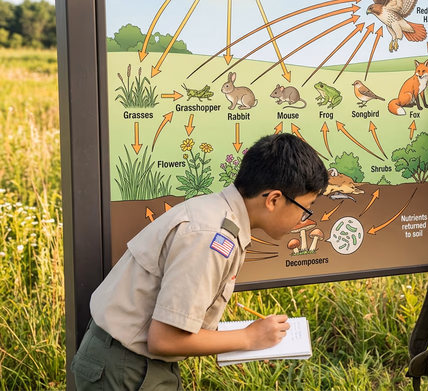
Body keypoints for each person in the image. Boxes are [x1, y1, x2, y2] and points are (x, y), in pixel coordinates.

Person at [70, 133, 329, 390]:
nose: (303, 218)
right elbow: (165, 340)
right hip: (125, 368)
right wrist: (249, 337)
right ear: (273, 199)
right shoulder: (210, 237)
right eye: (305, 208)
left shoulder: (217, 214)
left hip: (134, 361)